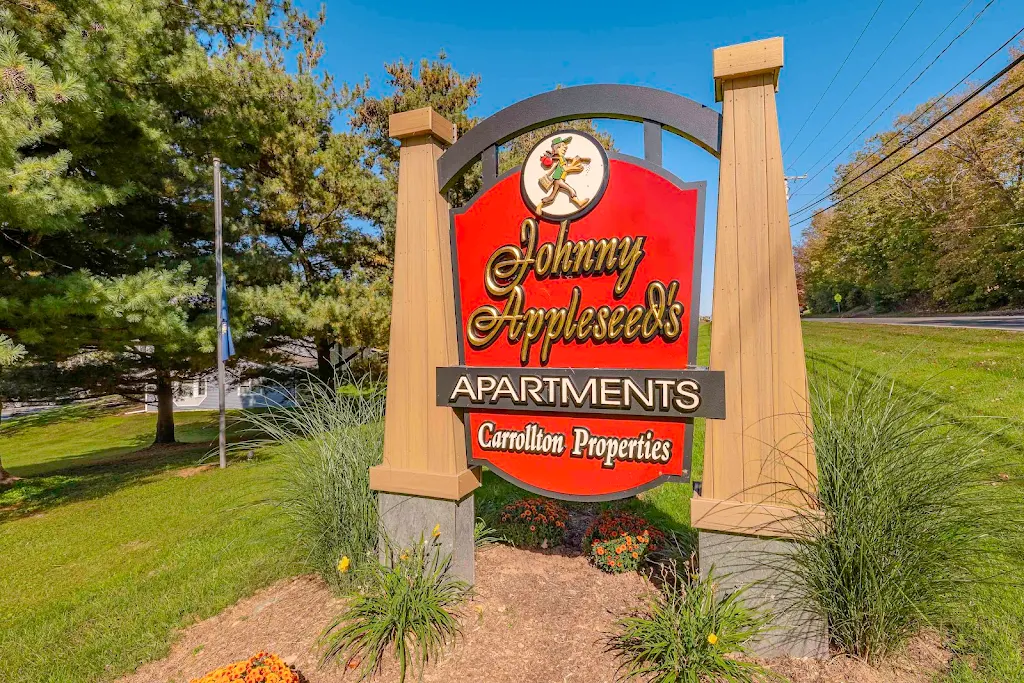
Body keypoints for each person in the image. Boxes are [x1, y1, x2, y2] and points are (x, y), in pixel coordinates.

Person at [537, 136, 591, 213]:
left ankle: (539, 206)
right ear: (557, 148)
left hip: (558, 180)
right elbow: (565, 169)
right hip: (558, 180)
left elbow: (568, 161)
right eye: (563, 146)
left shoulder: (561, 158)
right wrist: (576, 167)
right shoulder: (561, 158)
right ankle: (579, 203)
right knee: (570, 190)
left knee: (551, 197)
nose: (565, 148)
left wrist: (578, 161)